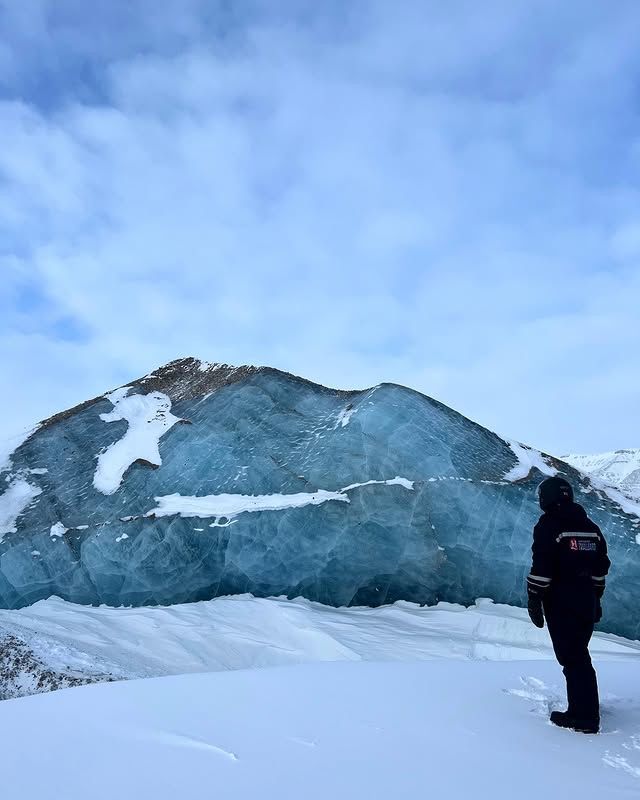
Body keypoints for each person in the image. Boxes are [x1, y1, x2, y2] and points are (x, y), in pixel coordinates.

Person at [526, 476, 610, 734]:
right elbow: (600, 567)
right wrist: (596, 598)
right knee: (579, 653)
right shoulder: (590, 527)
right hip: (585, 598)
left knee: (572, 657)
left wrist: (534, 598)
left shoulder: (549, 525)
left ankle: (584, 716)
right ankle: (586, 705)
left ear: (547, 498)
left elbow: (543, 566)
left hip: (561, 600)